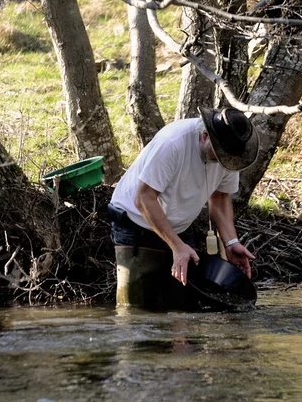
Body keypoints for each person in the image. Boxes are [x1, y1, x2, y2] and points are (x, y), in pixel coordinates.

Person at [108, 106, 259, 309]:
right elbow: (144, 198)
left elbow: (220, 198)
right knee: (137, 310)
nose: (223, 161)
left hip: (180, 228)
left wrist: (231, 242)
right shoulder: (173, 142)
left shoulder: (229, 153)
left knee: (184, 308)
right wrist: (177, 246)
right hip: (136, 224)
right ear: (205, 136)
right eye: (219, 154)